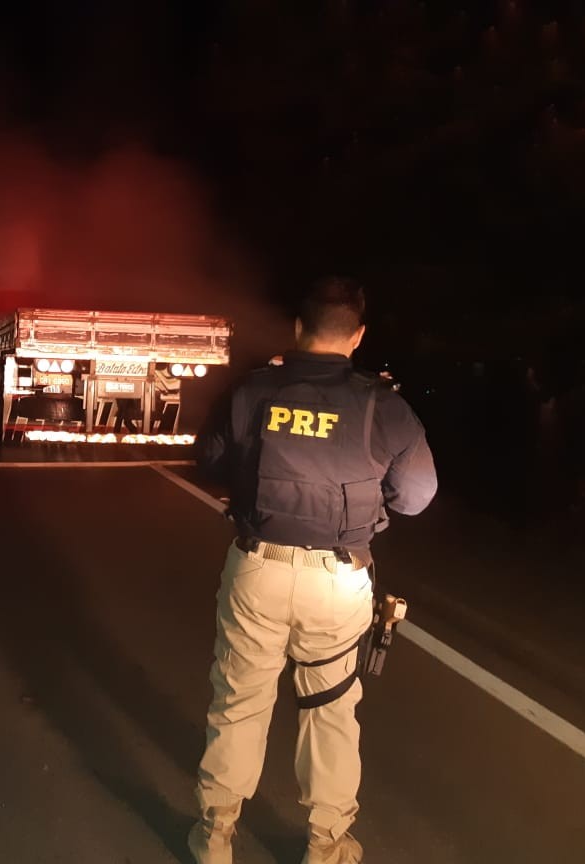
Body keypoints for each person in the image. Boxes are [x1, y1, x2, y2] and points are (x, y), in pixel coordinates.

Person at [189, 278, 437, 864]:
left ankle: (215, 837)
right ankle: (326, 845)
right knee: (330, 710)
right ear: (357, 337)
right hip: (338, 579)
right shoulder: (384, 404)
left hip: (257, 569)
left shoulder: (253, 392)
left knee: (238, 703)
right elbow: (417, 496)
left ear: (298, 329)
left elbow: (210, 460)